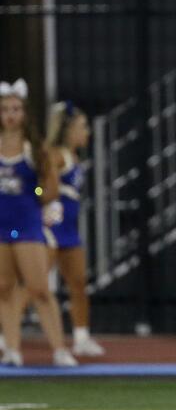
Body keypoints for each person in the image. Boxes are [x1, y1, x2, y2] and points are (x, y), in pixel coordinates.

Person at [0, 79, 77, 367]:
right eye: (5, 109)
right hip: (1, 226)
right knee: (4, 289)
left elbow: (50, 188)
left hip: (27, 226)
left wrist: (36, 192)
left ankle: (59, 349)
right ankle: (12, 349)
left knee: (39, 288)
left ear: (24, 112)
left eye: (16, 109)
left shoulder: (34, 149)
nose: (10, 115)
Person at [40, 101, 105, 357]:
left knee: (78, 283)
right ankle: (5, 336)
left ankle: (81, 337)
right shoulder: (54, 154)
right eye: (82, 127)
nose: (86, 132)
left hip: (70, 231)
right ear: (68, 130)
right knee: (33, 286)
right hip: (51, 228)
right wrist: (42, 198)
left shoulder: (73, 157)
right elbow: (38, 186)